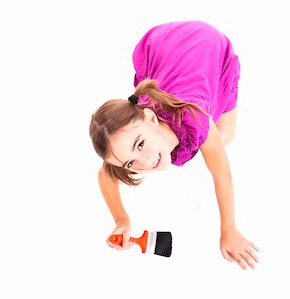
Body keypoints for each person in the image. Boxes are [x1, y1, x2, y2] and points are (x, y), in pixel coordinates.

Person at [89, 20, 260, 270]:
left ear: (149, 116)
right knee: (208, 144)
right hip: (172, 52)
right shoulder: (127, 143)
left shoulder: (195, 116)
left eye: (140, 144)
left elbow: (222, 174)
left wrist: (229, 229)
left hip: (206, 46)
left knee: (223, 138)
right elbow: (106, 175)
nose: (144, 162)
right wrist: (121, 220)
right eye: (129, 163)